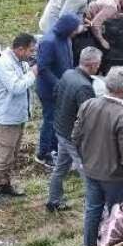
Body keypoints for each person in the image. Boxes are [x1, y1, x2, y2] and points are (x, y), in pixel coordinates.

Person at [71, 66, 123, 246]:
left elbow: (75, 136)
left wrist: (86, 158)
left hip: (91, 171)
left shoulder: (88, 105)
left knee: (92, 210)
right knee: (118, 215)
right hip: (116, 178)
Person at [0, 34, 37, 205]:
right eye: (30, 50)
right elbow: (16, 87)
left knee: (12, 155)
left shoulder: (20, 62)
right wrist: (33, 74)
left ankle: (5, 185)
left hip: (17, 116)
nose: (32, 54)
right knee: (4, 157)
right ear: (20, 49)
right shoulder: (5, 64)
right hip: (6, 120)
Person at [46, 46, 102, 213]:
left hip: (60, 129)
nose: (99, 66)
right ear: (92, 65)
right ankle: (95, 206)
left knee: (61, 167)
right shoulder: (85, 87)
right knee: (88, 171)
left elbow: (56, 94)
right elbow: (89, 117)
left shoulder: (68, 73)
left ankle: (53, 200)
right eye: (98, 64)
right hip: (73, 136)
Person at [36, 12, 83, 167]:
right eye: (75, 29)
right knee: (50, 119)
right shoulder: (49, 41)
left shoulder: (66, 39)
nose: (77, 32)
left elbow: (67, 62)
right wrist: (59, 84)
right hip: (49, 90)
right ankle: (44, 153)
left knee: (60, 119)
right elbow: (43, 68)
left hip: (63, 88)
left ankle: (55, 148)